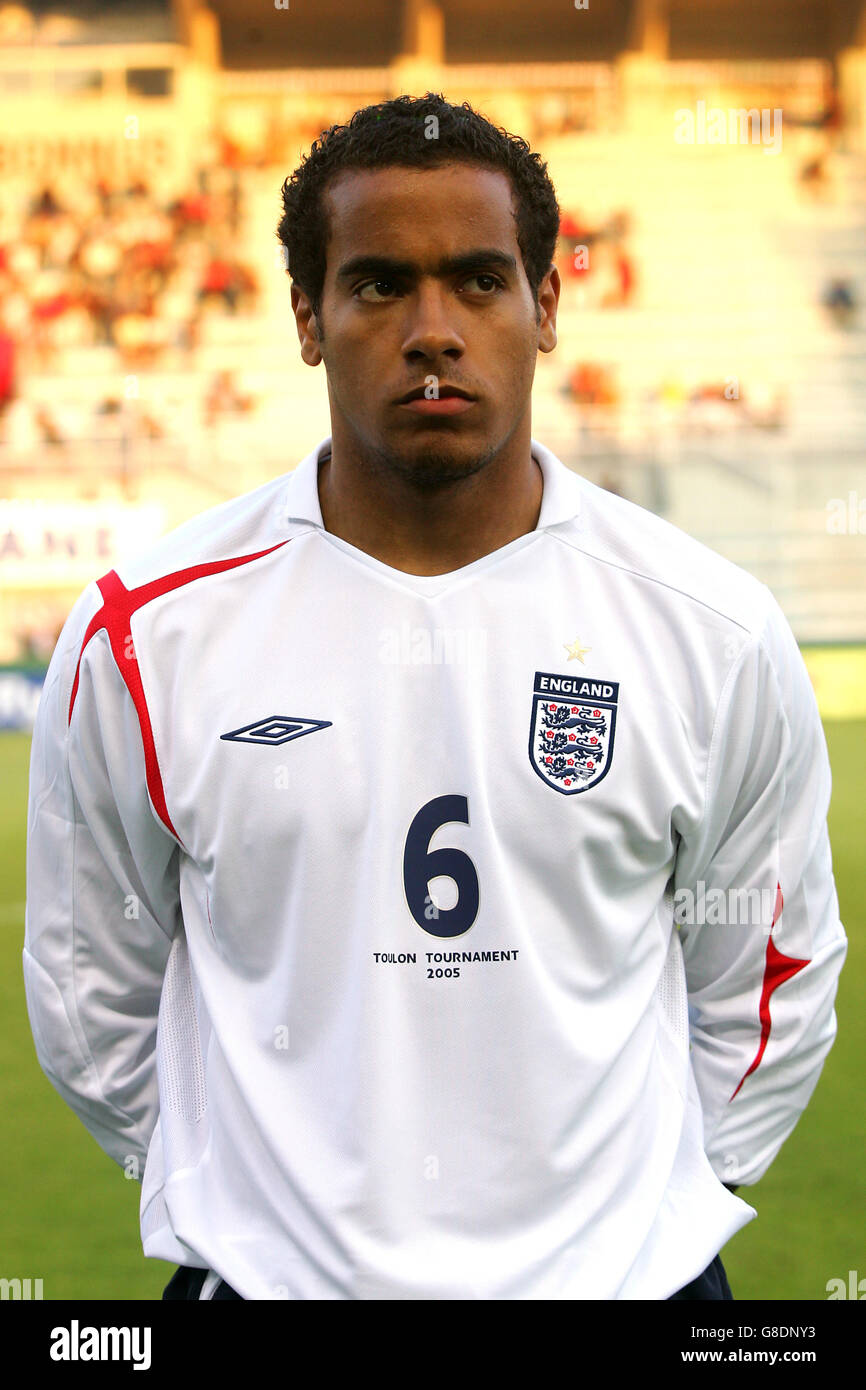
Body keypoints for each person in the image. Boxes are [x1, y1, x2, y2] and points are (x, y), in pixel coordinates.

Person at [23, 93, 846, 1302]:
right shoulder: (146, 636)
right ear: (306, 317)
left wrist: (635, 1223)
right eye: (375, 286)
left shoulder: (705, 629)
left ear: (544, 306)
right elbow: (89, 983)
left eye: (475, 281)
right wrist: (255, 1213)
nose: (432, 331)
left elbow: (768, 973)